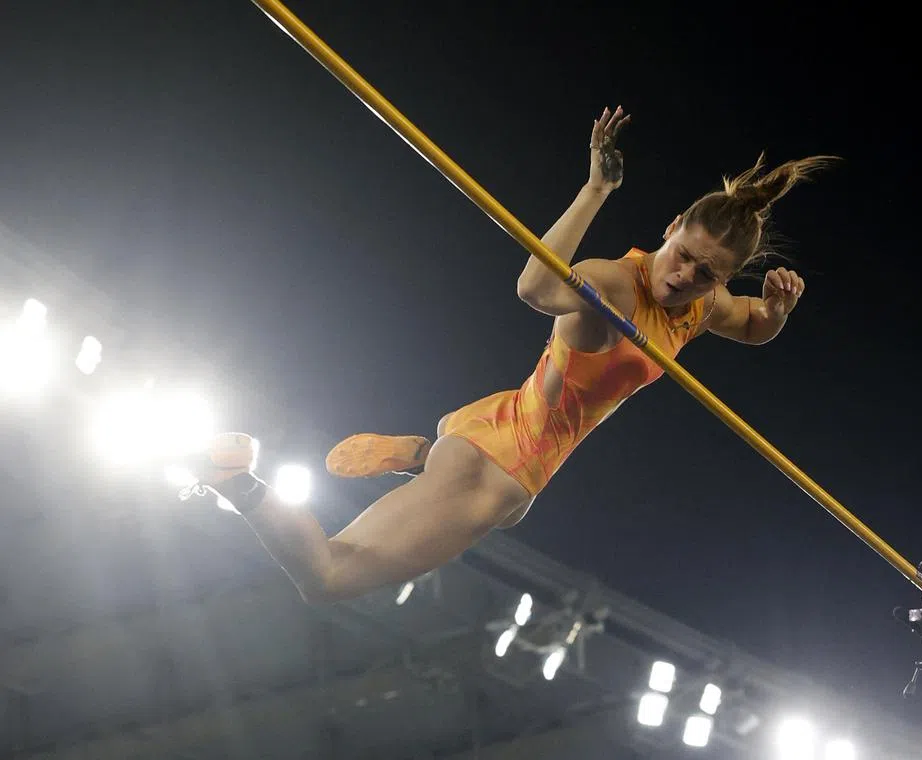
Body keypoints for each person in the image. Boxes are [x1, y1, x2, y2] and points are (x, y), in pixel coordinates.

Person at [190, 106, 835, 604]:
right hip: (496, 463)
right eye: (683, 256)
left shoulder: (700, 306)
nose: (684, 277)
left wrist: (776, 312)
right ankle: (238, 477)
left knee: (505, 511)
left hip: (514, 443)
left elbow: (751, 326)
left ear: (724, 280)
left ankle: (424, 453)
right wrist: (596, 190)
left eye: (705, 274)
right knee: (329, 576)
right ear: (669, 230)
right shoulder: (616, 282)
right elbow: (534, 288)